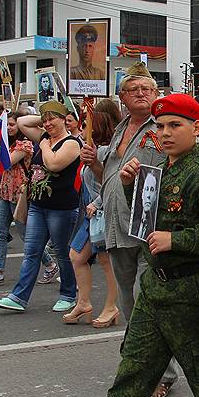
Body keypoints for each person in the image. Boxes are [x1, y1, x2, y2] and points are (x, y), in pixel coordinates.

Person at [104, 93, 199, 397]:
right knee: (130, 377)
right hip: (154, 290)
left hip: (191, 294)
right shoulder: (157, 172)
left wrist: (176, 240)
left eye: (174, 125)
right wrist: (129, 186)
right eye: (161, 126)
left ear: (195, 128)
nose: (165, 133)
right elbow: (147, 223)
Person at [80, 61, 178, 397]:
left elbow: (174, 168)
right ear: (121, 97)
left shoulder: (163, 127)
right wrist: (94, 160)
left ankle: (160, 374)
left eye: (147, 90)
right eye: (133, 90)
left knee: (145, 301)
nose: (141, 95)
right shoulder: (121, 129)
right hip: (117, 226)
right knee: (129, 300)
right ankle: (141, 364)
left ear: (156, 94)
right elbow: (103, 176)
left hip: (149, 227)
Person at [0, 100, 80, 312]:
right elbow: (22, 122)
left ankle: (69, 294)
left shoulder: (71, 143)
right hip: (38, 206)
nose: (47, 124)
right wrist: (45, 116)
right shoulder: (44, 136)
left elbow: (54, 164)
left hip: (62, 209)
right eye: (45, 120)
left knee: (62, 253)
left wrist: (44, 144)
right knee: (31, 251)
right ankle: (18, 297)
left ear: (65, 120)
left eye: (53, 119)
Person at [62, 99, 121, 328]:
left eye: (89, 121)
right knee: (77, 256)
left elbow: (109, 181)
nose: (86, 124)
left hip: (102, 211)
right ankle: (83, 302)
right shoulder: (93, 147)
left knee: (107, 261)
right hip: (91, 214)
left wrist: (96, 202)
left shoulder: (107, 150)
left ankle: (111, 306)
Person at [0, 112, 51, 288]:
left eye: (12, 124)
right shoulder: (7, 145)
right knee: (0, 233)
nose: (9, 128)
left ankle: (50, 264)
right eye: (7, 125)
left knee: (26, 235)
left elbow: (7, 162)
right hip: (5, 191)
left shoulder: (25, 144)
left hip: (19, 194)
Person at [130, 170, 159, 240]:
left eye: (152, 190)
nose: (148, 195)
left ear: (155, 195)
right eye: (146, 189)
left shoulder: (154, 226)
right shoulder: (134, 224)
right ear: (142, 193)